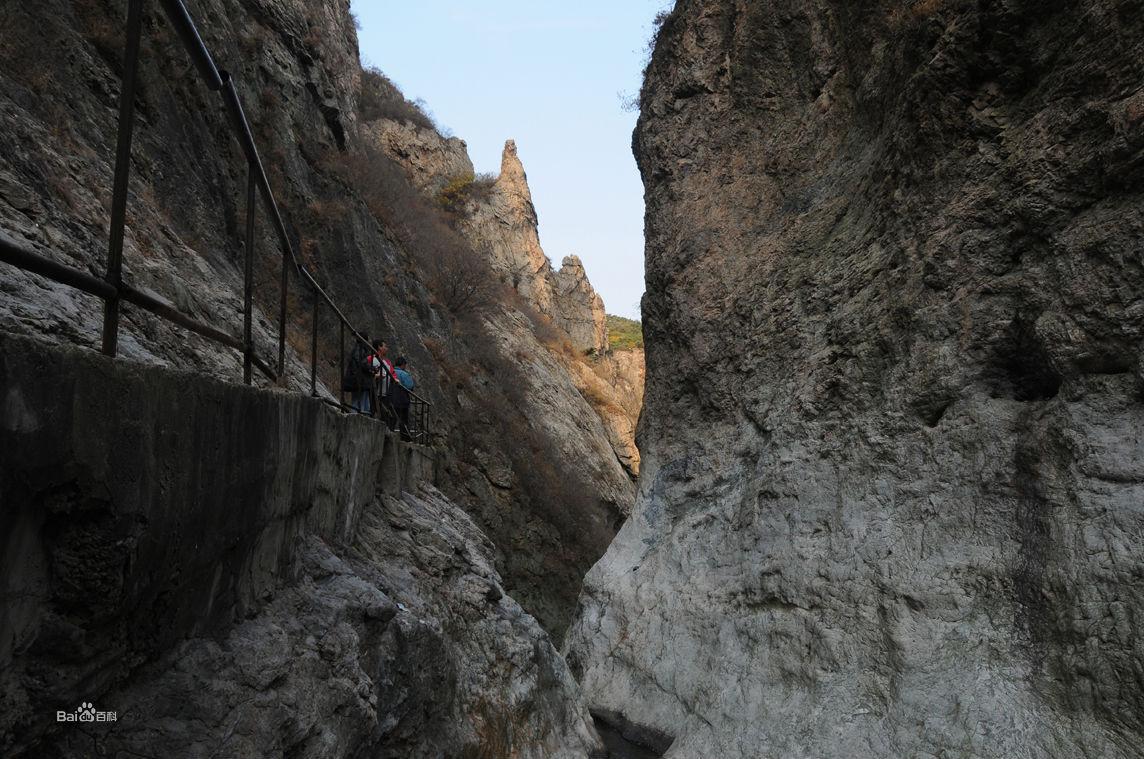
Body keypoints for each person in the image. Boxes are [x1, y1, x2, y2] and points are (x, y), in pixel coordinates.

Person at [342, 334, 374, 413]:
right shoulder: (360, 349)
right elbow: (361, 363)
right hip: (359, 379)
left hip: (360, 379)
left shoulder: (359, 349)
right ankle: (354, 417)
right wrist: (370, 368)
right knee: (358, 403)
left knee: (362, 403)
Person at [369, 339, 397, 422]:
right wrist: (375, 376)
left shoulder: (387, 362)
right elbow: (366, 372)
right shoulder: (370, 359)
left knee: (385, 416)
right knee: (372, 413)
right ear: (379, 347)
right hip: (373, 392)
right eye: (385, 346)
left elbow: (393, 373)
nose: (387, 348)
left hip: (385, 394)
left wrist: (395, 379)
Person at [390, 356, 416, 441]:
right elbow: (410, 386)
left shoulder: (391, 371)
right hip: (402, 400)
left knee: (392, 418)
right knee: (403, 420)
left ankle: (390, 433)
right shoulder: (403, 374)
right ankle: (405, 437)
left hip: (390, 398)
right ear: (403, 364)